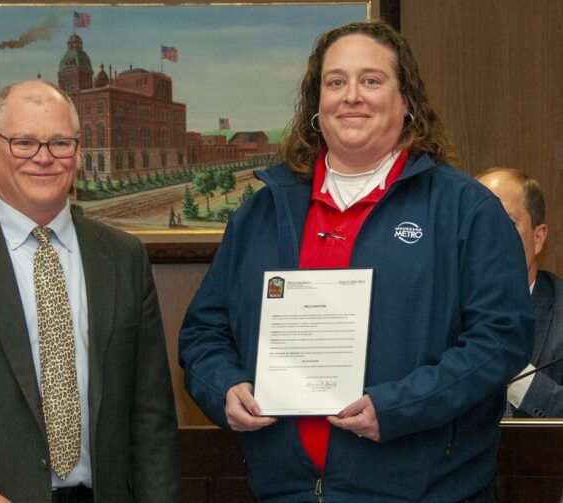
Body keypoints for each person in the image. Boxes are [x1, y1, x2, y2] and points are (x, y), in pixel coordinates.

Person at [179, 19, 533, 502]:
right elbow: (203, 333)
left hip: (427, 492)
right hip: (287, 491)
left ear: (407, 102)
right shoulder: (263, 210)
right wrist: (224, 388)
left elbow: (501, 338)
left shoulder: (464, 209)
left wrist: (399, 407)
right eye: (335, 82)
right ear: (315, 105)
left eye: (371, 80)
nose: (352, 96)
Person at [0, 80, 181, 502]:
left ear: (76, 152)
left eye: (60, 143)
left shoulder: (123, 256)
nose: (44, 158)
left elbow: (152, 415)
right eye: (24, 142)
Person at [477, 168, 563, 419]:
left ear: (538, 238)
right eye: (476, 223)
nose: (487, 237)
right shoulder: (436, 309)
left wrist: (513, 373)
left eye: (505, 223)